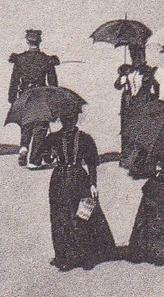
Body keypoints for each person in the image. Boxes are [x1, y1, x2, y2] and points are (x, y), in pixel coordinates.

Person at [42, 106, 117, 270]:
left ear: (75, 120)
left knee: (82, 214)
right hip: (61, 179)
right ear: (61, 120)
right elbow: (44, 158)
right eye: (65, 120)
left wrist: (92, 184)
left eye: (71, 119)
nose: (68, 123)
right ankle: (65, 255)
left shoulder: (84, 139)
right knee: (61, 216)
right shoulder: (52, 138)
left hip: (76, 179)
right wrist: (50, 154)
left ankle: (84, 254)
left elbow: (92, 163)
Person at [8, 29, 60, 167]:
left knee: (27, 121)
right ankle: (34, 160)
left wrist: (12, 99)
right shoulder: (47, 59)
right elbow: (53, 83)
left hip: (25, 94)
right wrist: (54, 99)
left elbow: (14, 81)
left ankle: (24, 147)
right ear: (40, 41)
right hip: (42, 94)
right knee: (41, 126)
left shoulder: (19, 59)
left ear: (27, 41)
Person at [115, 44, 160, 170]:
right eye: (133, 55)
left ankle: (144, 163)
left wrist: (153, 98)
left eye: (139, 55)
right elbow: (117, 86)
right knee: (129, 133)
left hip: (143, 104)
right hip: (129, 106)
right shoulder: (127, 70)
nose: (136, 58)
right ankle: (130, 161)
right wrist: (122, 76)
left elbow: (157, 88)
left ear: (143, 55)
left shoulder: (149, 71)